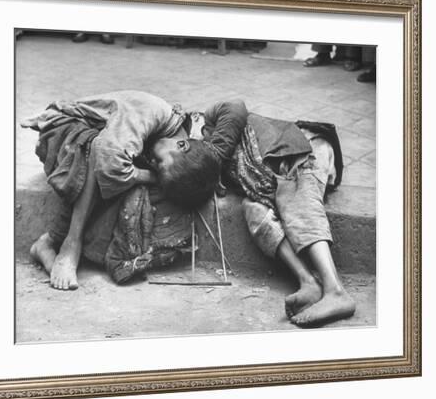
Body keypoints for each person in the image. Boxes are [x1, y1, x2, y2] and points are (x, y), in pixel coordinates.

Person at [22, 91, 220, 291]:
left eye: (157, 166)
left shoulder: (171, 139)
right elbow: (108, 158)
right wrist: (152, 177)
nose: (154, 163)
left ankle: (47, 243)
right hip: (61, 131)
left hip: (88, 149)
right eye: (160, 163)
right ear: (182, 144)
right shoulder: (152, 113)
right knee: (99, 153)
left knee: (126, 178)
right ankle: (70, 245)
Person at [188, 99, 356, 327]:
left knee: (294, 191)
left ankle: (336, 290)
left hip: (303, 150)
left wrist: (213, 158)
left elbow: (236, 106)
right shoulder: (201, 161)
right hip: (269, 179)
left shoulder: (209, 119)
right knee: (253, 208)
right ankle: (308, 282)